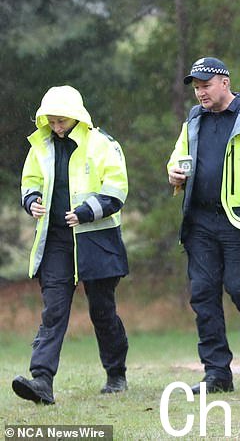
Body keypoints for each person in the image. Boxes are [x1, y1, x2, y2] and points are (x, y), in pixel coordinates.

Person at [13, 86, 129, 405]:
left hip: (96, 240)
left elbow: (117, 190)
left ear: (77, 117)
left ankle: (116, 374)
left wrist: (85, 212)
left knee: (102, 311)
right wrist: (32, 200)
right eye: (51, 120)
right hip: (55, 242)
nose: (56, 126)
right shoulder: (40, 147)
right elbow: (30, 182)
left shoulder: (103, 144)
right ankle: (42, 380)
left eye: (61, 120)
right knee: (53, 312)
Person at [167, 57, 240, 394]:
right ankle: (216, 374)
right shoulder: (194, 119)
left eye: (206, 84)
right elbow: (178, 155)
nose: (200, 92)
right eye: (196, 87)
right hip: (200, 222)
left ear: (224, 82)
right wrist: (173, 172)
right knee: (203, 295)